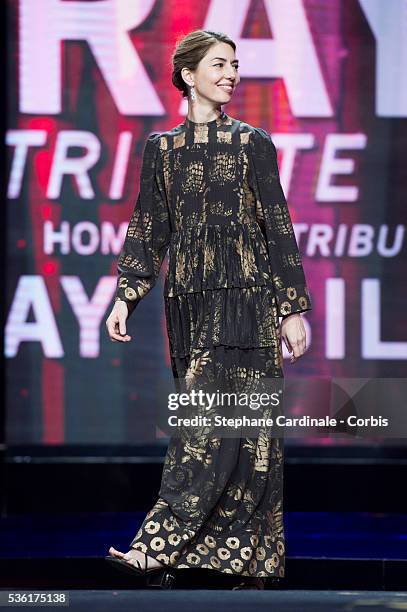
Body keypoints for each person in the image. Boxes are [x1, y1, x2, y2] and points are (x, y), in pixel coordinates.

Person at [105, 29, 312, 590]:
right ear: (188, 74)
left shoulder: (252, 144)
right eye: (219, 64)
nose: (231, 74)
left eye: (235, 65)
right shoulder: (161, 150)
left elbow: (278, 230)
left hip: (246, 304)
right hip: (190, 306)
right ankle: (237, 559)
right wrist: (126, 295)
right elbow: (149, 230)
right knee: (226, 426)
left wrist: (291, 308)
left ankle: (159, 546)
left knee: (224, 429)